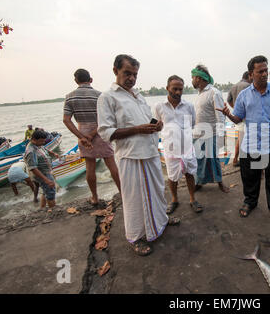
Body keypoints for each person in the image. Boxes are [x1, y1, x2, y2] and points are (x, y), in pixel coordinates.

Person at [97, 54, 179, 257]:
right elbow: (106, 132)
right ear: (115, 71)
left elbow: (145, 122)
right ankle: (136, 237)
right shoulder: (107, 97)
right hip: (131, 156)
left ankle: (161, 222)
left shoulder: (138, 95)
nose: (132, 78)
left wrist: (155, 126)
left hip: (150, 152)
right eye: (127, 73)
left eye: (135, 74)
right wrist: (138, 129)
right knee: (134, 199)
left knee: (157, 191)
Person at [217, 55, 270, 225]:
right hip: (251, 143)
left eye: (266, 70)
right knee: (250, 176)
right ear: (251, 74)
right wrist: (227, 115)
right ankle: (250, 202)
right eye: (260, 71)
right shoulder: (244, 95)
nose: (264, 74)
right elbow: (238, 119)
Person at [63, 68, 121, 206]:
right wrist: (92, 134)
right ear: (91, 79)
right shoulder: (99, 95)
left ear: (76, 81)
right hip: (100, 131)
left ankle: (94, 197)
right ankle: (122, 192)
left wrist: (82, 137)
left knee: (90, 167)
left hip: (82, 131)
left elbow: (66, 120)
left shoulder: (70, 96)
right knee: (111, 163)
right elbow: (107, 118)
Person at [154, 75, 203, 214]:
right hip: (170, 148)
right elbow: (156, 125)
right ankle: (174, 199)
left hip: (187, 146)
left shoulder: (189, 106)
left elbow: (193, 124)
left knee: (190, 173)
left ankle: (193, 199)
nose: (178, 92)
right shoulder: (159, 107)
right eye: (174, 89)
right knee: (172, 176)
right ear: (167, 88)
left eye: (180, 89)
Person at [191, 64, 230, 193]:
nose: (192, 80)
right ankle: (199, 182)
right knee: (199, 160)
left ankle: (220, 183)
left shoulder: (214, 92)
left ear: (200, 78)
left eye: (193, 77)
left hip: (211, 133)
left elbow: (220, 116)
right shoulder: (200, 94)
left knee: (214, 160)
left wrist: (220, 137)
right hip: (198, 133)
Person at [24, 129, 60, 208]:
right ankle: (53, 209)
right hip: (42, 174)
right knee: (50, 193)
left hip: (47, 171)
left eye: (44, 141)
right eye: (41, 141)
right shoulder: (31, 151)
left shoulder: (38, 145)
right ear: (33, 139)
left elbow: (44, 148)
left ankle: (42, 208)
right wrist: (46, 180)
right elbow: (33, 168)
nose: (43, 143)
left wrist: (53, 153)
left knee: (45, 191)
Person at [227, 71, 252, 167]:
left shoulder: (234, 86)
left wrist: (235, 109)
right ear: (249, 77)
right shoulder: (248, 86)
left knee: (240, 138)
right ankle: (248, 162)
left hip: (237, 117)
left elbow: (229, 100)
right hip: (247, 117)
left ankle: (235, 159)